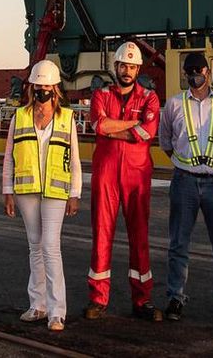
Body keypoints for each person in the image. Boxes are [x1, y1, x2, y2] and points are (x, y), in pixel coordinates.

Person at [84, 41, 163, 321]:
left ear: (137, 68)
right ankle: (98, 298)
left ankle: (142, 300)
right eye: (123, 66)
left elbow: (148, 132)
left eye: (131, 66)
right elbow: (99, 125)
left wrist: (113, 128)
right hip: (106, 172)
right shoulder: (101, 94)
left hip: (137, 174)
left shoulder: (150, 98)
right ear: (115, 67)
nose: (127, 71)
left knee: (139, 237)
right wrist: (134, 124)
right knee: (101, 235)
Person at [158, 52, 213, 324]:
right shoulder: (174, 105)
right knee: (178, 243)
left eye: (198, 69)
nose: (195, 74)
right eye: (190, 70)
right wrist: (185, 163)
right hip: (184, 181)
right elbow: (165, 140)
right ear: (185, 73)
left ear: (207, 70)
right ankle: (175, 298)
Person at [1, 59, 81, 332]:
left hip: (56, 192)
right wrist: (7, 191)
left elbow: (76, 161)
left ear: (55, 89)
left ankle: (57, 312)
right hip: (26, 191)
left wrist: (75, 193)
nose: (42, 90)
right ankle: (38, 305)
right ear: (32, 87)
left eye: (47, 86)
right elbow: (9, 158)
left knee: (50, 247)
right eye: (39, 85)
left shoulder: (66, 118)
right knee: (35, 247)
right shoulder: (19, 117)